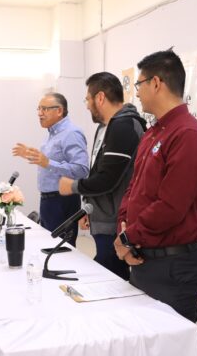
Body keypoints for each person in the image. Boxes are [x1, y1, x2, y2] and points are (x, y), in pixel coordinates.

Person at [113, 50, 197, 322]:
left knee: (170, 339)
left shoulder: (188, 135)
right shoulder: (153, 133)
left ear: (156, 83)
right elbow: (134, 188)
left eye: (139, 84)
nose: (136, 92)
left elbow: (170, 206)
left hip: (172, 266)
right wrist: (124, 227)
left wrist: (128, 237)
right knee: (140, 335)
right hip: (143, 257)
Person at [58, 73, 146, 280]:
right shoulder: (105, 127)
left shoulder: (124, 126)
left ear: (100, 97)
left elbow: (108, 178)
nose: (87, 106)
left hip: (115, 222)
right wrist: (87, 206)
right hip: (103, 218)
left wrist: (73, 186)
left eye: (87, 99)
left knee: (111, 280)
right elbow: (97, 170)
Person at [12, 93, 89, 246]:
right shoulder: (52, 134)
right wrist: (33, 156)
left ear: (59, 110)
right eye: (39, 109)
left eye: (45, 109)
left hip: (63, 201)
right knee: (49, 248)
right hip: (49, 200)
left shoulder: (71, 133)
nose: (40, 113)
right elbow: (50, 163)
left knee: (61, 251)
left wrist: (48, 162)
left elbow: (82, 169)